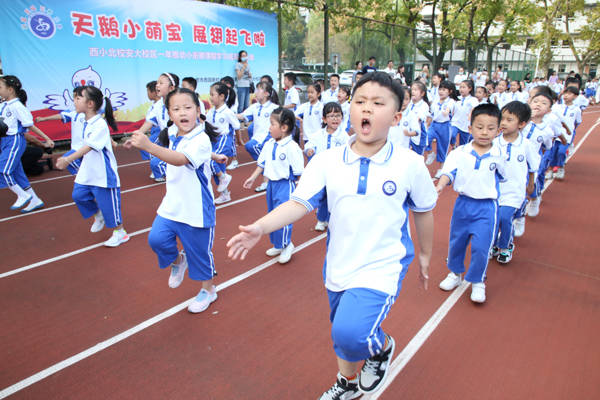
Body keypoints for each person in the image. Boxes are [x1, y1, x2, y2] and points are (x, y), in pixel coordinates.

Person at [227, 72, 436, 399]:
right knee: (341, 332)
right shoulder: (328, 160)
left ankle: (380, 348)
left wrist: (425, 254)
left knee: (351, 332)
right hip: (339, 262)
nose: (367, 109)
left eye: (378, 103)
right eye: (360, 101)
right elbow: (298, 203)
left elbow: (423, 211)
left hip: (383, 264)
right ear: (349, 108)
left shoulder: (410, 164)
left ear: (396, 118)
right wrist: (261, 227)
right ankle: (347, 384)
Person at [126, 88, 225, 313]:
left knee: (200, 255)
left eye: (188, 107)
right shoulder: (173, 132)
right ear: (169, 114)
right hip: (172, 204)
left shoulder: (201, 139)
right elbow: (184, 148)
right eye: (176, 108)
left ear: (198, 111)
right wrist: (213, 157)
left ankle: (208, 290)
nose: (183, 112)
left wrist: (148, 146)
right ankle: (177, 261)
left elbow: (182, 158)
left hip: (196, 209)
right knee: (156, 240)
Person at [437, 103, 506, 303]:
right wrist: (441, 185)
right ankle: (455, 274)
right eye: (479, 127)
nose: (485, 132)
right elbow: (449, 172)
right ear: (470, 128)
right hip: (463, 204)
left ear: (498, 131)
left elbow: (503, 178)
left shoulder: (500, 155)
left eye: (491, 128)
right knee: (457, 241)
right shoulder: (460, 152)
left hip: (486, 207)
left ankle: (478, 281)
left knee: (481, 246)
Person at [55, 86, 128, 247]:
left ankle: (120, 232)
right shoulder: (86, 122)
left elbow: (89, 146)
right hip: (87, 171)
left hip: (103, 173)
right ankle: (98, 214)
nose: (74, 101)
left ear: (90, 104)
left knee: (109, 205)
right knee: (78, 196)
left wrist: (68, 159)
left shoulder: (99, 123)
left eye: (78, 98)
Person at [242, 107, 303, 264]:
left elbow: (298, 172)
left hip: (285, 186)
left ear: (283, 128)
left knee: (284, 216)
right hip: (271, 186)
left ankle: (287, 244)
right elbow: (262, 163)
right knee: (272, 215)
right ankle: (278, 244)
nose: (269, 127)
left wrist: (300, 191)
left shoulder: (292, 147)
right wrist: (252, 177)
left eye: (272, 124)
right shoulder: (269, 144)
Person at [490, 101, 539, 264]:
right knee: (494, 219)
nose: (503, 123)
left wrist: (531, 184)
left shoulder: (525, 145)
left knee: (505, 218)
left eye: (509, 120)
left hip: (514, 192)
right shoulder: (495, 142)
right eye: (502, 118)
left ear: (522, 124)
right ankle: (495, 245)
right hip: (495, 190)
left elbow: (533, 167)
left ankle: (506, 246)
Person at [0, 75, 50, 212]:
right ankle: (35, 200)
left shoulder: (17, 106)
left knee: (3, 171)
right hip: (4, 141)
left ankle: (22, 195)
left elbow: (30, 125)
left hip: (14, 141)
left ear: (10, 90)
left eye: (0, 87)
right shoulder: (4, 104)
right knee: (17, 174)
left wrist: (46, 139)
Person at [304, 102, 348, 231]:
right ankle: (321, 219)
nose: (335, 119)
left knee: (335, 197)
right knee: (323, 197)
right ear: (324, 119)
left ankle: (332, 219)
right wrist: (309, 150)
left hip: (338, 172)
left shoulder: (344, 136)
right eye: (331, 116)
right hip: (322, 173)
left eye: (338, 115)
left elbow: (350, 150)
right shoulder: (319, 134)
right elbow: (308, 145)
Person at [132, 72, 179, 182]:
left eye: (161, 83)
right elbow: (149, 122)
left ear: (171, 88)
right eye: (157, 83)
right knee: (150, 151)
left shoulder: (178, 103)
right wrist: (136, 135)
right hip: (166, 138)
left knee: (158, 162)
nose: (157, 85)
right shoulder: (158, 105)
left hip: (178, 139)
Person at [238, 81, 279, 192]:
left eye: (258, 89)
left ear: (266, 93)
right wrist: (228, 114)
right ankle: (268, 177)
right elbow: (242, 116)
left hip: (267, 138)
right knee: (262, 158)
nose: (255, 92)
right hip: (258, 138)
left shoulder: (274, 108)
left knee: (251, 146)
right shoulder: (255, 107)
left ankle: (268, 175)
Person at [207, 82, 240, 204]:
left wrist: (239, 140)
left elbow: (236, 126)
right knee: (217, 168)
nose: (210, 97)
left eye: (212, 94)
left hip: (224, 140)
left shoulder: (227, 112)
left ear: (221, 96)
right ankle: (225, 194)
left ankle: (223, 177)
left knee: (210, 161)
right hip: (214, 141)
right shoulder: (210, 112)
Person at [425, 80, 458, 178]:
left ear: (450, 92)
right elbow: (431, 114)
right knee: (426, 139)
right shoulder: (435, 100)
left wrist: (446, 111)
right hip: (434, 125)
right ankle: (430, 153)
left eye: (444, 90)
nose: (441, 92)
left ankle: (440, 168)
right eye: (440, 89)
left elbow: (448, 109)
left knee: (442, 148)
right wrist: (427, 123)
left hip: (444, 126)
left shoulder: (451, 101)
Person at [550, 86, 581, 179]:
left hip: (567, 136)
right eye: (565, 93)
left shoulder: (576, 110)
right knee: (552, 153)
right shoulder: (557, 107)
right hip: (555, 134)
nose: (566, 96)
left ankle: (560, 167)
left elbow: (578, 122)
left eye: (569, 94)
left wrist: (570, 130)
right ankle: (551, 169)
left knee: (561, 152)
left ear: (575, 96)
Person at [450, 80, 479, 147]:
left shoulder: (473, 99)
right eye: (460, 87)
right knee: (452, 134)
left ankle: (460, 151)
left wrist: (470, 115)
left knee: (463, 144)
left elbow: (474, 107)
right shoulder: (457, 98)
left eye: (463, 87)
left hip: (465, 124)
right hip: (455, 122)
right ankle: (453, 144)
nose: (461, 89)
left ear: (470, 88)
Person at [406, 81, 431, 155]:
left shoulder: (424, 105)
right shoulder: (409, 104)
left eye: (415, 90)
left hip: (419, 138)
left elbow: (420, 118)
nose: (413, 92)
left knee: (418, 158)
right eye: (412, 89)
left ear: (422, 93)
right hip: (409, 135)